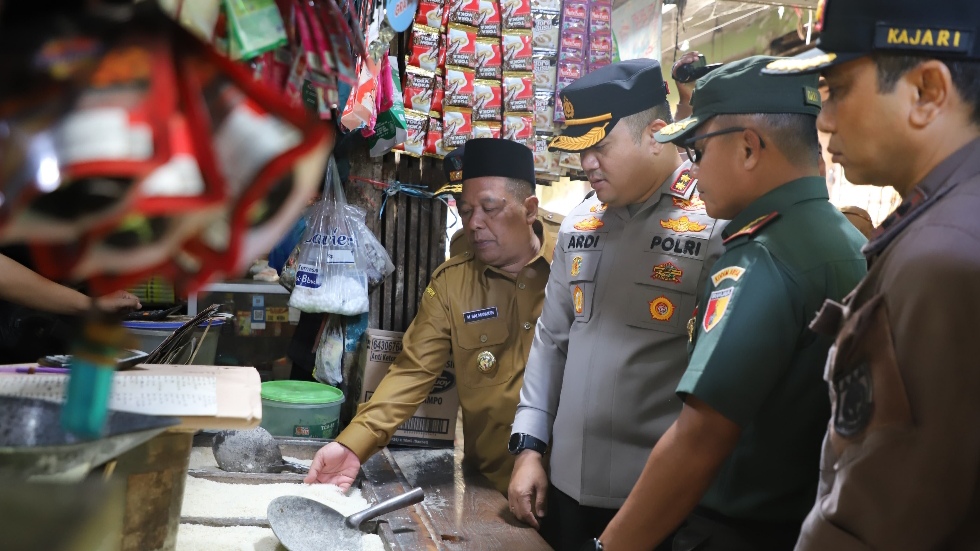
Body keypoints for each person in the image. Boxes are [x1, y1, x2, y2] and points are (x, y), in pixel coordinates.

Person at [595, 55, 867, 551]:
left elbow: (699, 441)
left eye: (697, 151)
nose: (692, 169)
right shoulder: (850, 242)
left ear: (747, 147)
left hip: (736, 532)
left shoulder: (761, 260)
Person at [762, 0, 980, 548]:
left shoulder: (941, 255)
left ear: (926, 92)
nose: (824, 118)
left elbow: (884, 520)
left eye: (837, 89)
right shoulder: (946, 222)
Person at [508, 59, 727, 550]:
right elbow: (552, 341)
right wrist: (529, 447)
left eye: (600, 147)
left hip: (656, 503)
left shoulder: (714, 224)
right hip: (564, 490)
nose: (586, 163)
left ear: (656, 134)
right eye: (581, 149)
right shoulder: (579, 223)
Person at [304, 138, 554, 495]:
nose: (474, 223)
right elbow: (413, 371)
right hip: (493, 487)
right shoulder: (453, 284)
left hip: (571, 485)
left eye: (489, 208)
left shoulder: (575, 266)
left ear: (529, 210)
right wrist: (352, 444)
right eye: (465, 211)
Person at [436, 145, 564, 258]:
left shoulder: (563, 235)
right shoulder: (461, 243)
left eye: (489, 207)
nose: (473, 223)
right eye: (464, 207)